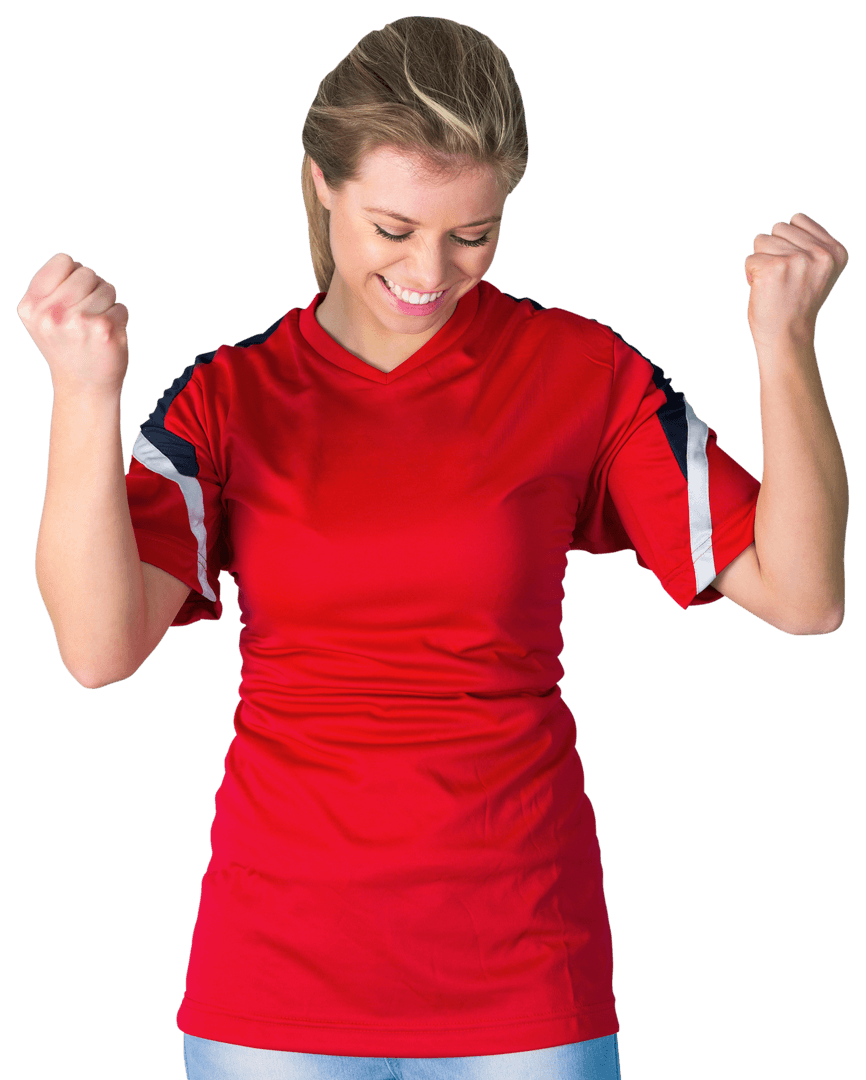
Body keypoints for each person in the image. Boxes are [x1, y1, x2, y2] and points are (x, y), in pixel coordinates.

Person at [17, 14, 848, 1080]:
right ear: (321, 183)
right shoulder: (228, 398)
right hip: (274, 977)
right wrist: (83, 399)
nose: (430, 272)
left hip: (524, 968)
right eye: (394, 228)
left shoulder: (578, 372)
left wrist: (782, 342)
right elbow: (96, 650)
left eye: (473, 234)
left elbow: (803, 593)